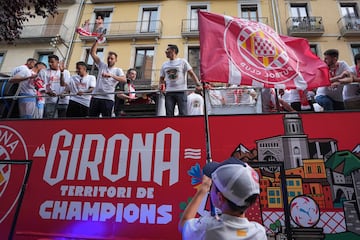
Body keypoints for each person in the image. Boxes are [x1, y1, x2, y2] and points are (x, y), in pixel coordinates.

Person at [179, 157, 266, 240]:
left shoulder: (207, 230)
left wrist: (203, 189)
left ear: (220, 198)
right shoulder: (259, 233)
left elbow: (184, 224)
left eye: (213, 185)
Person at [159, 44, 202, 116]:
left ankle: (184, 126)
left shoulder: (182, 62)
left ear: (173, 51)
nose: (165, 52)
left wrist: (198, 84)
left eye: (167, 50)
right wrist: (161, 87)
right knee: (169, 113)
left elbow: (191, 73)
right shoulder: (164, 64)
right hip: (169, 92)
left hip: (181, 91)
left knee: (183, 113)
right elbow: (161, 78)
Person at [89, 39, 126, 117]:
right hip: (96, 96)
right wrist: (97, 41)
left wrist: (111, 75)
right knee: (91, 119)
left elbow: (124, 79)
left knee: (106, 120)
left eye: (112, 59)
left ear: (116, 60)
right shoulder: (102, 65)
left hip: (108, 98)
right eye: (108, 58)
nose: (109, 60)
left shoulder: (118, 70)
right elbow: (92, 53)